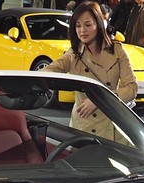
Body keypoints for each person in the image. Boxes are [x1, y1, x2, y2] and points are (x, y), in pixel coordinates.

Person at [41, 2, 137, 141]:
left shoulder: (117, 50)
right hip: (83, 126)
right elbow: (51, 69)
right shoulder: (73, 54)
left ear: (98, 24)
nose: (82, 31)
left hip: (112, 124)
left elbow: (131, 88)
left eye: (87, 25)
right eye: (78, 26)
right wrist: (31, 81)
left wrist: (99, 101)